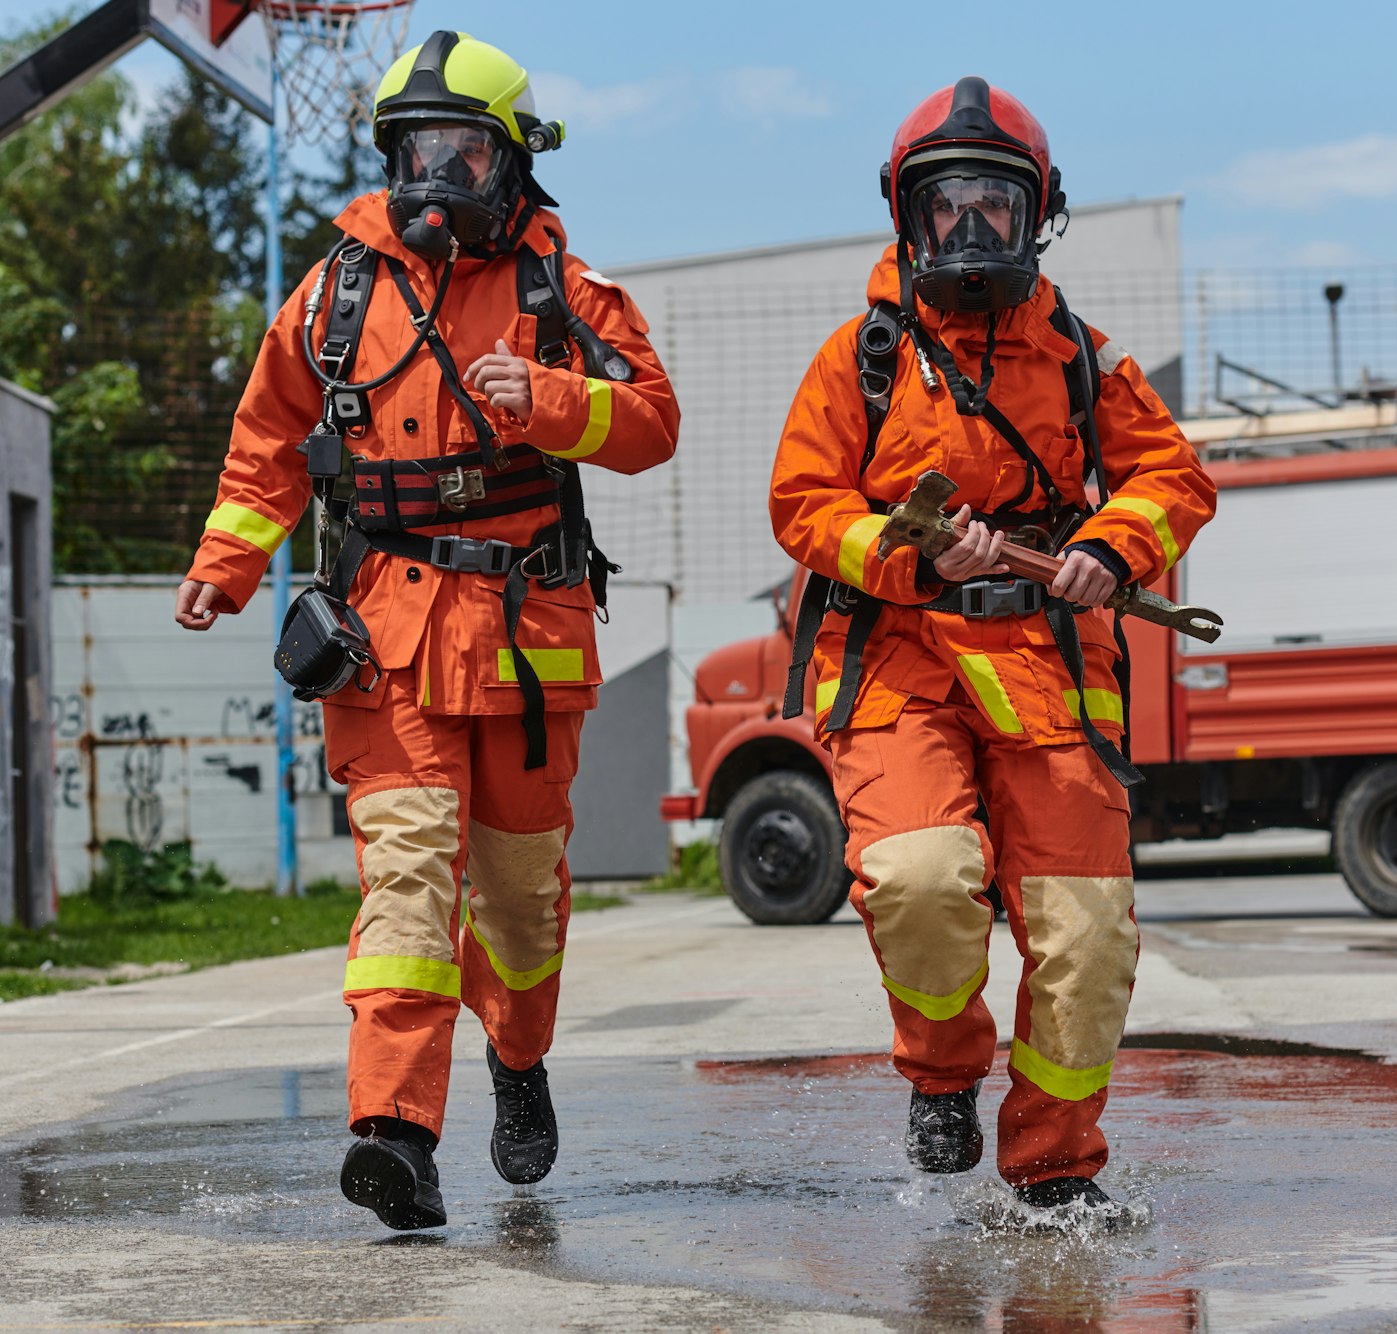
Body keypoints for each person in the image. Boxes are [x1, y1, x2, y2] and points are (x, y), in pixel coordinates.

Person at [174, 30, 678, 1231]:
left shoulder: (568, 292)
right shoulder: (336, 290)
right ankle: (393, 1133)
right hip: (384, 632)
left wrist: (554, 401)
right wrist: (225, 563)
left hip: (526, 637)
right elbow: (265, 444)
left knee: (519, 900)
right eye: (414, 148)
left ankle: (517, 1059)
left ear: (514, 163)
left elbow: (653, 420)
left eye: (461, 148)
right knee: (406, 879)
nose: (434, 173)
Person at [769, 76, 1215, 1223]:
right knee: (918, 879)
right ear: (905, 216)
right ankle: (941, 1069)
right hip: (899, 661)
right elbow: (802, 504)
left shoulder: (1079, 355)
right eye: (946, 204)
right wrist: (915, 559)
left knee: (1087, 929)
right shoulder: (857, 360)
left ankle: (1056, 1163)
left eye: (993, 205)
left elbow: (1173, 478)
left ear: (1036, 214)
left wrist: (1112, 551)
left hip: (1047, 669)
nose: (968, 229)